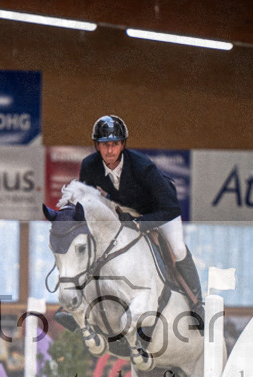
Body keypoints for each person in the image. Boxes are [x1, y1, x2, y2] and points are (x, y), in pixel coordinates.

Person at [53, 115, 203, 335]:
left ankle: (197, 304)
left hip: (159, 211)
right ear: (97, 146)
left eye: (114, 144)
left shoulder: (143, 167)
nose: (110, 150)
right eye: (105, 145)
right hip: (124, 212)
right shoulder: (89, 166)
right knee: (92, 247)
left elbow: (171, 209)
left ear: (123, 145)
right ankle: (75, 306)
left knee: (178, 248)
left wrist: (141, 224)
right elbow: (85, 203)